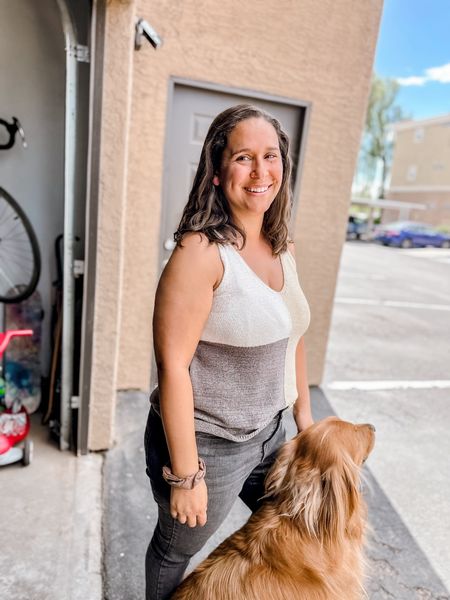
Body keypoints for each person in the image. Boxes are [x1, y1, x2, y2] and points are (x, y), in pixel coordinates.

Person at [144, 104, 312, 600]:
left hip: (270, 433)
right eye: (244, 157)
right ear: (217, 172)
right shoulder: (200, 253)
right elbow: (173, 367)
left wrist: (306, 423)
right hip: (207, 446)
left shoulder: (281, 245)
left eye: (271, 155)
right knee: (176, 551)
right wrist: (186, 475)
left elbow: (293, 337)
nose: (262, 172)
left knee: (292, 530)